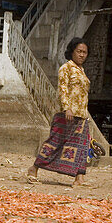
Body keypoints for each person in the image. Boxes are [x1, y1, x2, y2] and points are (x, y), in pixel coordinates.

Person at [27, 37, 91, 187]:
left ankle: (79, 178)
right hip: (67, 114)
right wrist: (66, 107)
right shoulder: (66, 68)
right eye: (79, 51)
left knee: (81, 146)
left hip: (82, 115)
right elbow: (62, 89)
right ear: (72, 52)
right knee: (56, 142)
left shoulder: (82, 71)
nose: (82, 55)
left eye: (85, 52)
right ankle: (33, 168)